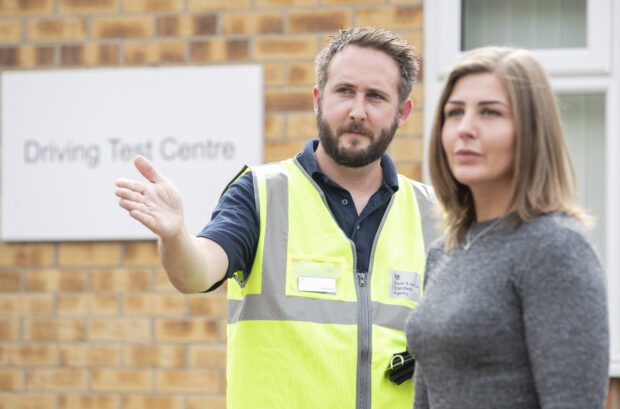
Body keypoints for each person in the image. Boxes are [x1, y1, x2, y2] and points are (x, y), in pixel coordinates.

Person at [115, 27, 440, 409]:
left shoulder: (433, 212)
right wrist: (175, 236)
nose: (357, 111)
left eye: (376, 96)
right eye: (345, 91)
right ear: (318, 100)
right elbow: (197, 271)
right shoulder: (261, 192)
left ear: (402, 112)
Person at [405, 46, 610, 408]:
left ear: (530, 130)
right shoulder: (445, 251)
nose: (465, 129)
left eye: (490, 112)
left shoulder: (554, 247)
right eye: (454, 113)